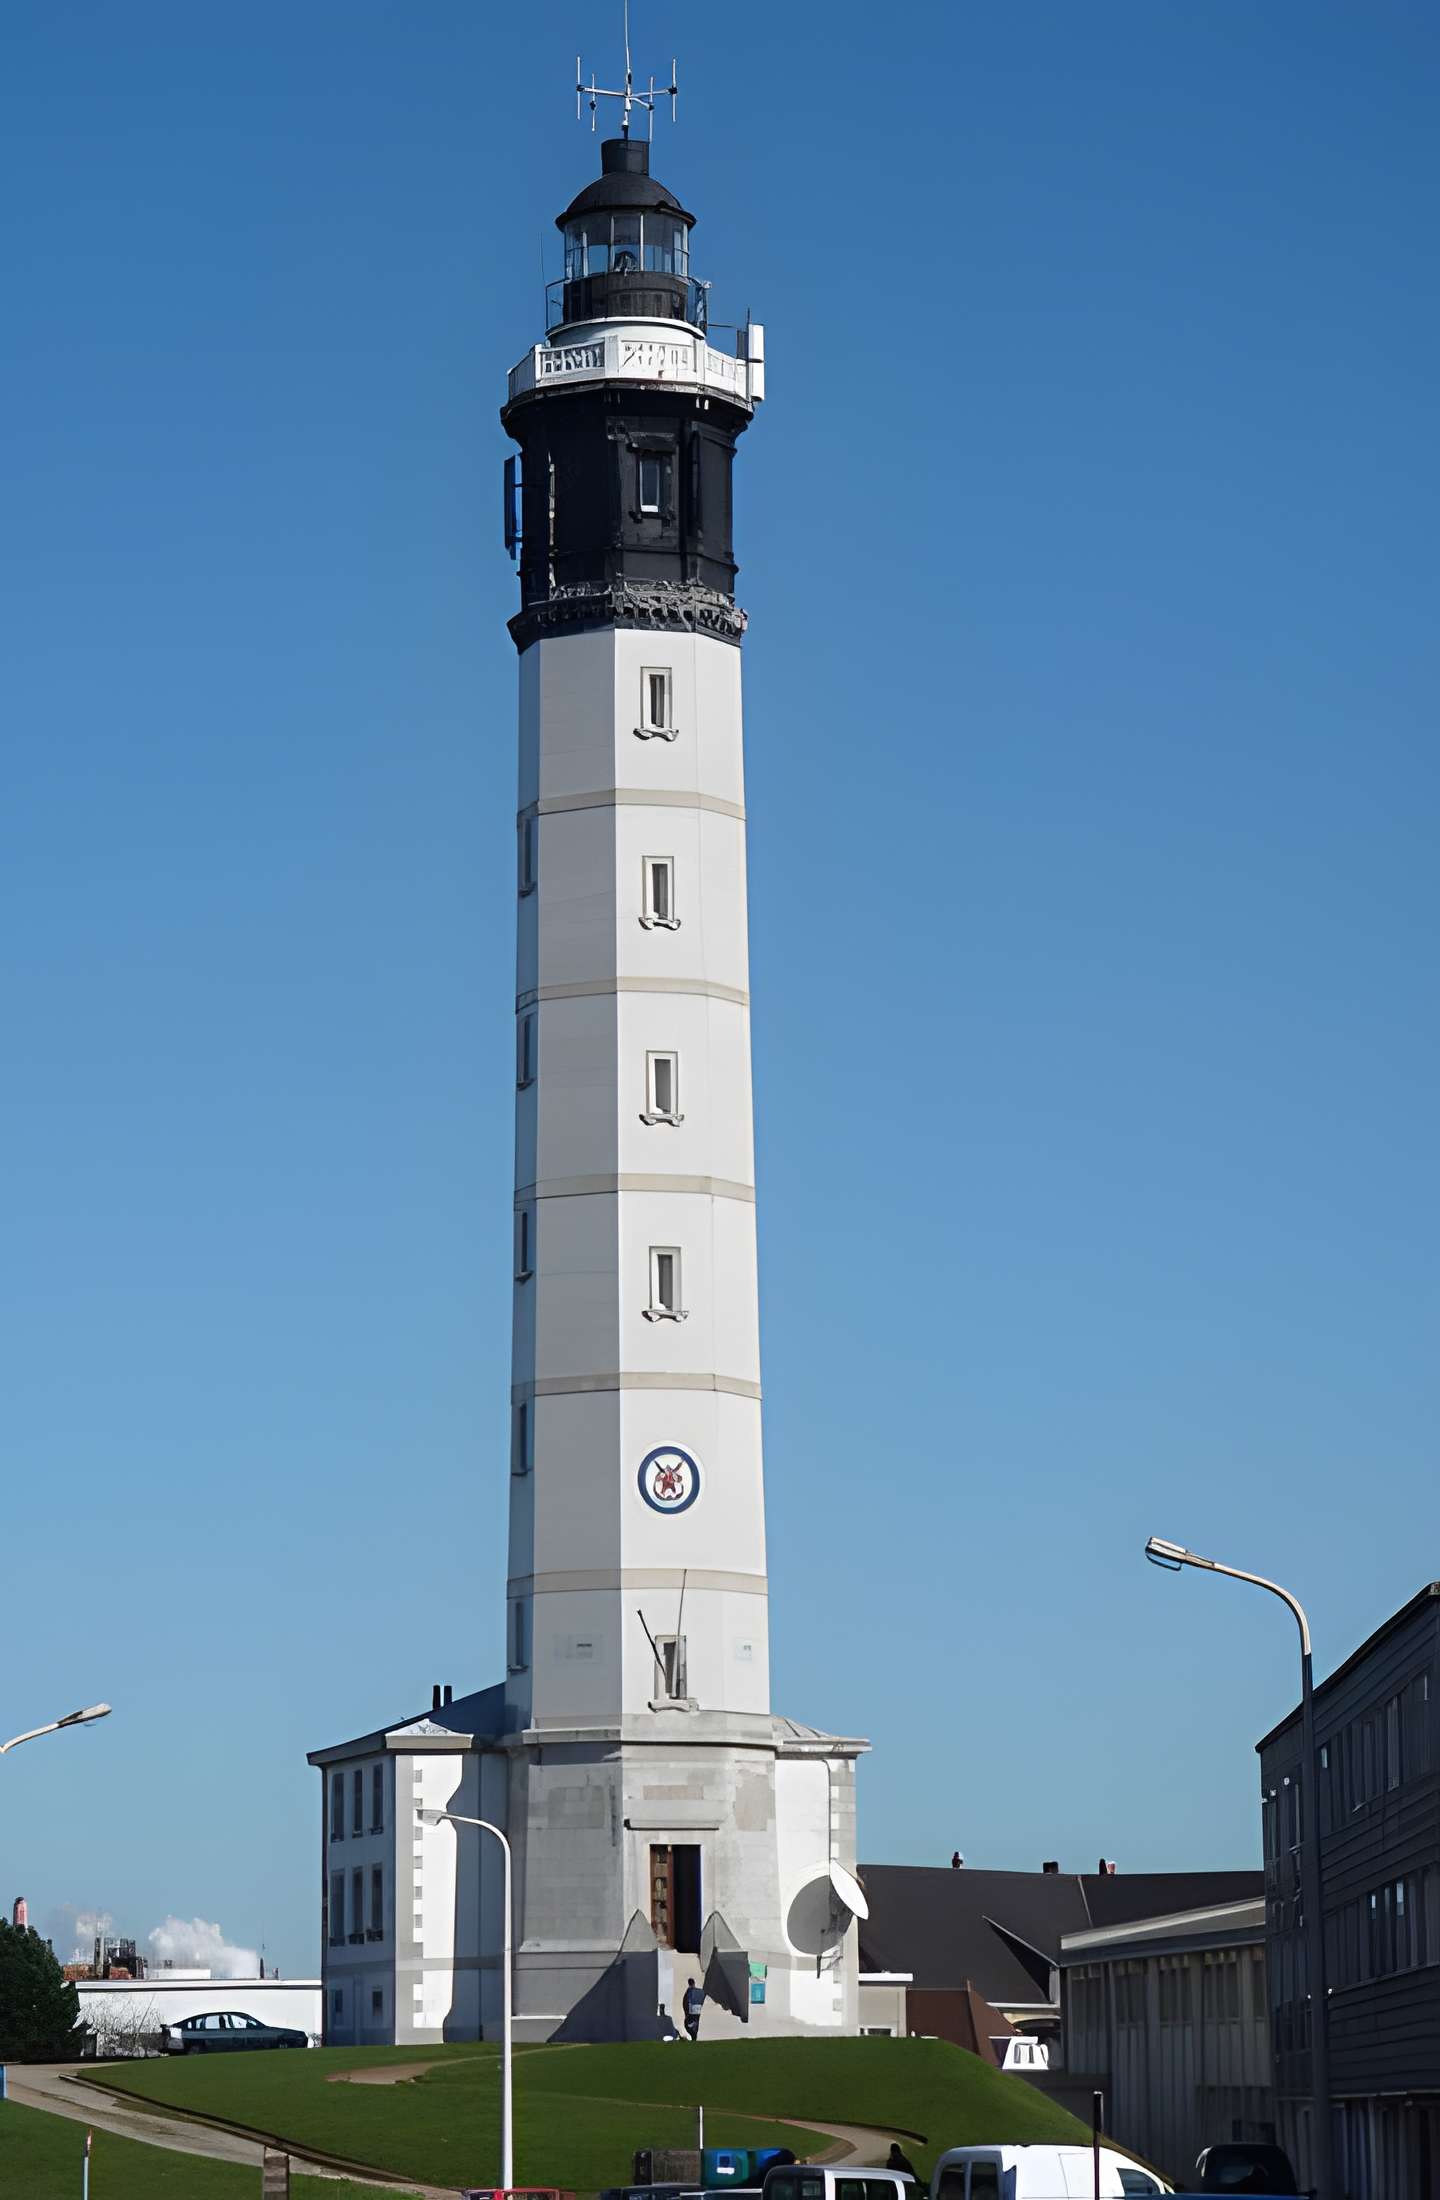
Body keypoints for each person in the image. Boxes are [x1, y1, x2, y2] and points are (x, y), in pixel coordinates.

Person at [682, 1976, 704, 2042]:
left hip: (691, 2012)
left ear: (689, 1983)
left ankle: (693, 2037)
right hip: (697, 2011)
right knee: (695, 2025)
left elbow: (685, 2003)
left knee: (687, 2025)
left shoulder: (689, 1991)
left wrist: (686, 2013)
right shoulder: (698, 1991)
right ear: (694, 1983)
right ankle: (694, 2038)